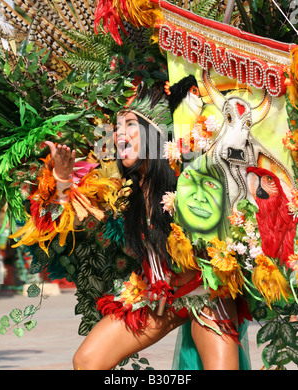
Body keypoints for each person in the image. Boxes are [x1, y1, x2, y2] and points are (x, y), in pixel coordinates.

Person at [45, 104, 247, 371]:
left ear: (154, 133)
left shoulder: (188, 175)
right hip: (157, 301)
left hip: (207, 297)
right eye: (115, 128)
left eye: (129, 125)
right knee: (87, 361)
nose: (118, 134)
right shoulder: (120, 190)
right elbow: (66, 222)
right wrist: (62, 180)